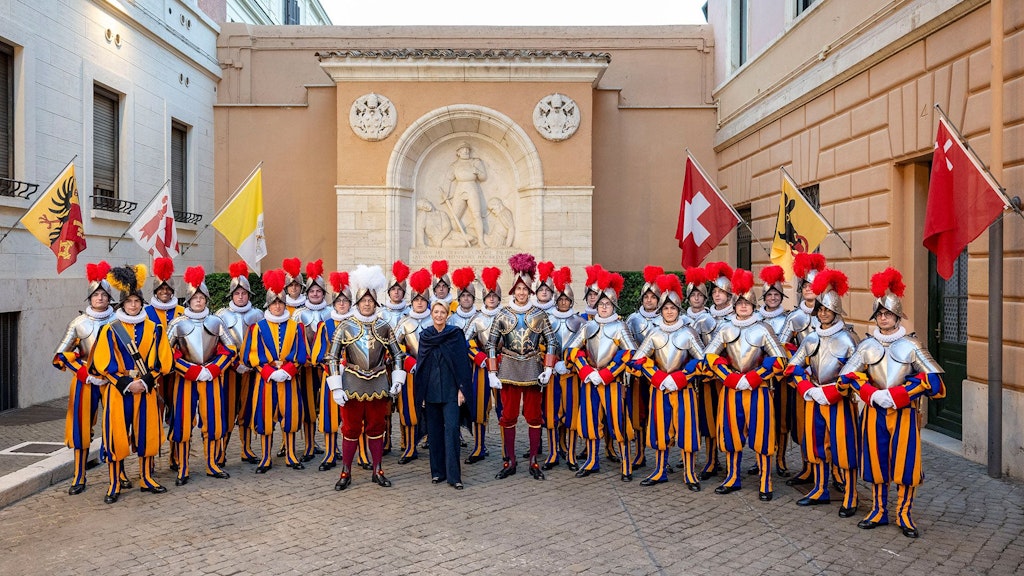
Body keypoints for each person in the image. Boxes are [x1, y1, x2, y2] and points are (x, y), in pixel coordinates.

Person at [839, 267, 945, 538]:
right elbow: (846, 378)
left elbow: (935, 384)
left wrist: (900, 394)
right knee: (876, 462)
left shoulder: (912, 345)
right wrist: (870, 393)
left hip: (904, 414)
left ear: (898, 316)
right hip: (874, 412)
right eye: (879, 314)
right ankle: (878, 509)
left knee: (905, 464)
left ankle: (904, 512)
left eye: (888, 314)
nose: (883, 318)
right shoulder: (866, 345)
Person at [93, 263, 173, 503]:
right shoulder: (110, 330)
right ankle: (115, 482)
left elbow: (163, 361)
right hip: (120, 391)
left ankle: (147, 477)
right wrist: (127, 383)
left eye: (137, 301)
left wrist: (147, 381)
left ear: (141, 302)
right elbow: (102, 365)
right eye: (129, 301)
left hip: (146, 388)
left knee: (147, 434)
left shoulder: (155, 328)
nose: (134, 305)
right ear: (122, 304)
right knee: (117, 435)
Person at [704, 268, 787, 501]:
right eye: (739, 302)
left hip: (758, 390)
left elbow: (779, 359)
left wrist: (756, 376)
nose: (742, 307)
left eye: (747, 303)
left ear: (753, 306)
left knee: (762, 436)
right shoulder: (725, 328)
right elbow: (710, 356)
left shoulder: (763, 328)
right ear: (734, 304)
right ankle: (732, 476)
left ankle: (765, 480)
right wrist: (728, 375)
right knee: (731, 434)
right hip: (731, 390)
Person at [785, 268, 860, 516]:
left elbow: (856, 373)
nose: (824, 313)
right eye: (821, 309)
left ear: (836, 311)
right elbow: (793, 367)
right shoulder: (810, 339)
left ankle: (851, 494)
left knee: (844, 447)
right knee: (817, 445)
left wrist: (834, 392)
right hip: (814, 399)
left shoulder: (849, 339)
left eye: (828, 309)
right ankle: (819, 488)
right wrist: (807, 388)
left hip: (839, 402)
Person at [326, 265, 407, 490]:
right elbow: (332, 357)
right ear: (358, 303)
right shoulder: (345, 326)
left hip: (379, 382)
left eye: (371, 300)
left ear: (375, 303)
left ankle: (377, 469)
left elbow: (397, 354)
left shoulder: (384, 326)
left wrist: (398, 379)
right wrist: (336, 387)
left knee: (376, 427)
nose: (367, 304)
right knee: (350, 429)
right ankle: (346, 471)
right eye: (364, 301)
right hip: (351, 382)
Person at [486, 253, 558, 481]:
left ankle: (534, 460)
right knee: (507, 416)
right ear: (513, 291)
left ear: (530, 292)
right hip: (508, 368)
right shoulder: (502, 314)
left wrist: (548, 367)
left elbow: (552, 341)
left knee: (534, 415)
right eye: (518, 289)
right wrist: (492, 372)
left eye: (525, 289)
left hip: (533, 367)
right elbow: (491, 343)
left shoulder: (540, 314)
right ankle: (510, 460)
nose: (521, 293)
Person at [630, 274, 705, 489]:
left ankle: (690, 472)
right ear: (661, 311)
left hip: (684, 390)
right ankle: (660, 470)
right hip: (660, 388)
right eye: (665, 308)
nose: (669, 312)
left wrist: (682, 377)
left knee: (686, 429)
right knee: (660, 430)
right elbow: (638, 360)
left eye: (673, 308)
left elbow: (703, 361)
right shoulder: (654, 333)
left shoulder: (689, 332)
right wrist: (658, 377)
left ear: (678, 310)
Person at [564, 269, 638, 481]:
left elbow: (630, 353)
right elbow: (572, 350)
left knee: (618, 422)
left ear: (613, 306)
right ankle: (592, 461)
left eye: (607, 304)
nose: (603, 307)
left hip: (612, 382)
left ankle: (626, 463)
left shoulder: (620, 326)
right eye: (601, 304)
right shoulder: (588, 326)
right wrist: (586, 370)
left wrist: (608, 373)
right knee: (590, 421)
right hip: (589, 381)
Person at [166, 266, 237, 485]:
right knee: (183, 423)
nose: (198, 300)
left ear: (207, 299)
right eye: (195, 297)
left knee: (213, 422)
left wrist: (213, 369)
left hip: (212, 379)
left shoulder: (216, 322)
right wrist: (192, 370)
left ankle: (212, 464)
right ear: (188, 299)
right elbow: (167, 354)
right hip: (186, 380)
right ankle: (183, 467)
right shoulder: (177, 324)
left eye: (202, 297)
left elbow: (231, 349)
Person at [53, 261, 116, 495]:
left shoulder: (118, 321)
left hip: (112, 383)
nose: (100, 298)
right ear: (89, 297)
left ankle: (117, 473)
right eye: (96, 294)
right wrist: (85, 374)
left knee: (114, 427)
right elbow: (62, 354)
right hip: (85, 383)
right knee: (81, 429)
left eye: (104, 294)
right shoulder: (78, 323)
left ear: (110, 297)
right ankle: (79, 475)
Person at [243, 269, 309, 473]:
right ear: (268, 304)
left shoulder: (296, 327)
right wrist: (269, 371)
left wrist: (288, 369)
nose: (278, 306)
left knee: (291, 416)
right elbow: (250, 355)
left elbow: (301, 353)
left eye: (280, 302)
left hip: (289, 379)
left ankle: (290, 454)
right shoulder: (257, 327)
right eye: (274, 303)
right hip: (266, 381)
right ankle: (265, 457)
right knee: (264, 417)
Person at [778, 253, 827, 486]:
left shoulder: (829, 313)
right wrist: (799, 366)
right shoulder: (795, 317)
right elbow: (783, 344)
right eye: (805, 285)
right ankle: (808, 466)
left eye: (813, 285)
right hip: (803, 380)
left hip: (828, 380)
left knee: (829, 428)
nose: (808, 289)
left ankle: (833, 471)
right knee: (803, 424)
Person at [416, 300, 472, 489]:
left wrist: (461, 389)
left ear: (448, 315)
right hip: (430, 391)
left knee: (452, 431)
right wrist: (421, 393)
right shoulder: (425, 336)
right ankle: (438, 472)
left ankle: (454, 476)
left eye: (443, 312)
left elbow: (463, 364)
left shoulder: (455, 335)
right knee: (434, 432)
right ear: (431, 314)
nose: (439, 315)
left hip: (450, 392)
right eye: (436, 312)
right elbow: (422, 366)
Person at [215, 261, 264, 465]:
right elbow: (217, 345)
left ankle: (246, 448)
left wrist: (252, 363)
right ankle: (221, 451)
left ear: (249, 295)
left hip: (252, 370)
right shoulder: (221, 316)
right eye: (237, 293)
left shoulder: (258, 315)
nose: (241, 296)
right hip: (229, 371)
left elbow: (263, 343)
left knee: (247, 409)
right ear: (231, 295)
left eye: (244, 293)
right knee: (227, 410)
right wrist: (234, 364)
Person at [751, 265, 791, 478]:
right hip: (759, 375)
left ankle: (781, 459)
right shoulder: (755, 318)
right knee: (761, 418)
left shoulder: (788, 318)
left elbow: (791, 346)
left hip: (781, 376)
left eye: (776, 294)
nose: (773, 298)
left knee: (781, 418)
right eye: (769, 294)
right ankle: (760, 459)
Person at [625, 265, 664, 471]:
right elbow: (628, 346)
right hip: (639, 374)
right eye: (646, 297)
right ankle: (639, 453)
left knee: (660, 414)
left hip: (659, 374)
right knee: (639, 413)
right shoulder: (633, 319)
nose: (649, 300)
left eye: (653, 297)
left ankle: (661, 453)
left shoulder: (666, 317)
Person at [144, 257, 182, 471]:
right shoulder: (146, 313)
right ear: (156, 291)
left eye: (168, 288)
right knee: (152, 414)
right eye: (161, 288)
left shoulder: (181, 312)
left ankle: (175, 455)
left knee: (177, 412)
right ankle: (149, 458)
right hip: (154, 373)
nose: (165, 292)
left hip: (177, 372)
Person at [311, 272, 352, 471]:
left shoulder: (357, 324)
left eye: (345, 300)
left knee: (353, 416)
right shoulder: (325, 325)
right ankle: (329, 452)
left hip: (354, 376)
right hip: (331, 376)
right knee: (329, 416)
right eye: (338, 300)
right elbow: (317, 355)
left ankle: (358, 453)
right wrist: (335, 367)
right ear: (333, 303)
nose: (342, 304)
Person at [393, 268, 434, 463]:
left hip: (434, 372)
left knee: (434, 408)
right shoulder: (403, 323)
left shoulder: (436, 320)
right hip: (411, 372)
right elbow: (395, 349)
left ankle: (435, 443)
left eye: (422, 299)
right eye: (416, 299)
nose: (419, 302)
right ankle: (409, 446)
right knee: (409, 409)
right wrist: (411, 363)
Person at [547, 266, 585, 471]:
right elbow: (541, 345)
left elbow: (583, 349)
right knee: (553, 414)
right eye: (560, 299)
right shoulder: (547, 320)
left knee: (571, 415)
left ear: (571, 301)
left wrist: (569, 364)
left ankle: (570, 454)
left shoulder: (580, 321)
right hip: (552, 375)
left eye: (566, 300)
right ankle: (553, 453)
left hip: (571, 375)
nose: (563, 302)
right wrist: (550, 365)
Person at [293, 259, 331, 463]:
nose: (315, 294)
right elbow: (294, 340)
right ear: (307, 293)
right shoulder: (299, 314)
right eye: (312, 291)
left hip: (327, 369)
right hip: (306, 368)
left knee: (329, 407)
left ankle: (331, 446)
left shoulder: (331, 313)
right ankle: (309, 444)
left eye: (319, 291)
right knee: (308, 406)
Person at [463, 267, 502, 464]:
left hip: (504, 366)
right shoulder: (477, 319)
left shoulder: (507, 316)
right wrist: (479, 357)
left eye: (495, 295)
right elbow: (466, 341)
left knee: (504, 408)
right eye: (488, 295)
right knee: (480, 408)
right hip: (482, 368)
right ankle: (479, 446)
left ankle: (506, 447)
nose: (492, 299)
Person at [380, 260, 411, 455]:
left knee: (404, 402)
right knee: (385, 403)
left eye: (400, 289)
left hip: (405, 364)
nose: (396, 292)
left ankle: (406, 441)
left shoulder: (410, 312)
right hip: (384, 365)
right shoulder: (380, 313)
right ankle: (386, 440)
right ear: (389, 291)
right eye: (393, 289)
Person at [444, 142, 487, 247]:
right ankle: (456, 239)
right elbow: (448, 179)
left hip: (472, 187)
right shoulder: (454, 165)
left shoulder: (475, 162)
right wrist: (446, 193)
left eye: (467, 149)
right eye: (463, 149)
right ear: (458, 152)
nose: (466, 151)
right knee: (454, 216)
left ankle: (481, 241)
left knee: (476, 215)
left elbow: (483, 177)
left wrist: (477, 171)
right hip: (460, 188)